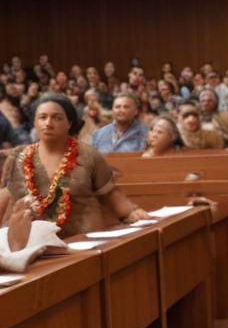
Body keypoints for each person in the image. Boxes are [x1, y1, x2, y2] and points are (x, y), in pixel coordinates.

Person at [2, 94, 149, 237]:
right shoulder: (20, 157)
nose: (48, 123)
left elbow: (110, 193)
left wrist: (130, 212)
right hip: (30, 243)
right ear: (34, 123)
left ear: (69, 123)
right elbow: (10, 199)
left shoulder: (88, 155)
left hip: (81, 240)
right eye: (42, 117)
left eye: (56, 118)